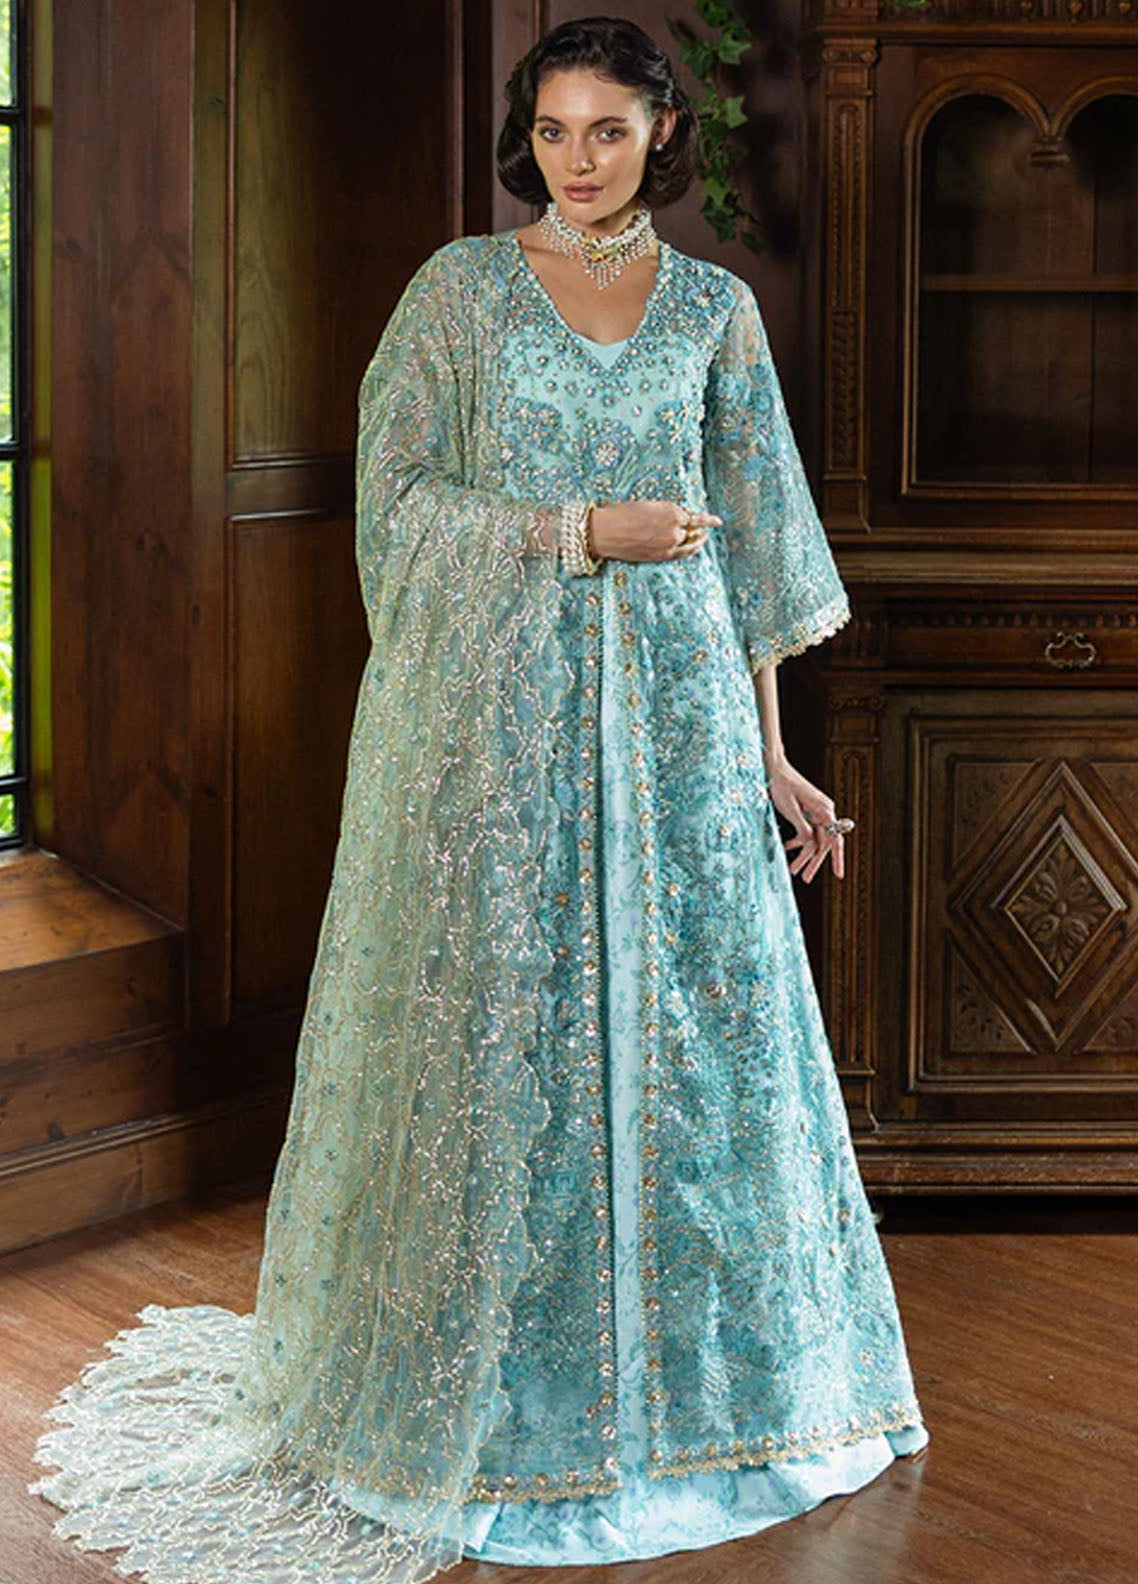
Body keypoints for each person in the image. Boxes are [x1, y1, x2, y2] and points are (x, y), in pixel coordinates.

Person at [27, 15, 928, 1582]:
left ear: (662, 132)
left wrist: (771, 754)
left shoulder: (712, 311)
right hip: (489, 735)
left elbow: (754, 555)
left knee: (691, 1045)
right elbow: (396, 509)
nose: (578, 160)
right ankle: (497, 1399)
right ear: (530, 135)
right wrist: (581, 530)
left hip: (676, 729)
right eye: (554, 131)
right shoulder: (456, 294)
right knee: (501, 1033)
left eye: (609, 130)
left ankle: (708, 1409)